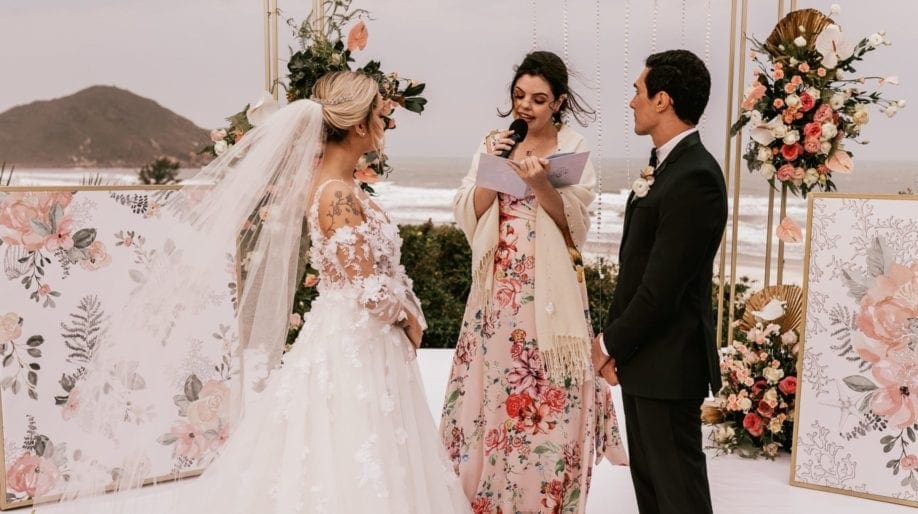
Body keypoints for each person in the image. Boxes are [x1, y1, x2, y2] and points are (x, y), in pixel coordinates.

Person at [44, 71, 470, 514]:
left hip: (358, 341)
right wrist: (408, 316)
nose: (387, 124)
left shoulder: (340, 187)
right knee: (351, 451)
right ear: (360, 125)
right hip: (355, 346)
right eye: (382, 115)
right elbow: (367, 288)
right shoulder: (336, 196)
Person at [443, 50, 627, 514]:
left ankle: (547, 496)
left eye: (539, 99)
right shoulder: (495, 140)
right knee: (499, 390)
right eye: (519, 95)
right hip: (498, 289)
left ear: (558, 102)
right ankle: (491, 497)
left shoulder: (574, 148)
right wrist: (494, 168)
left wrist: (543, 184)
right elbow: (470, 210)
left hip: (550, 291)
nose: (526, 106)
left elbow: (575, 229)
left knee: (552, 395)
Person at [592, 50, 727, 514]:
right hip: (648, 363)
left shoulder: (696, 177)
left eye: (637, 90)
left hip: (672, 366)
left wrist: (609, 342)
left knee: (679, 497)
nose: (632, 101)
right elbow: (636, 269)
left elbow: (662, 289)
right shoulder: (668, 166)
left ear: (663, 99)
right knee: (653, 495)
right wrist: (622, 352)